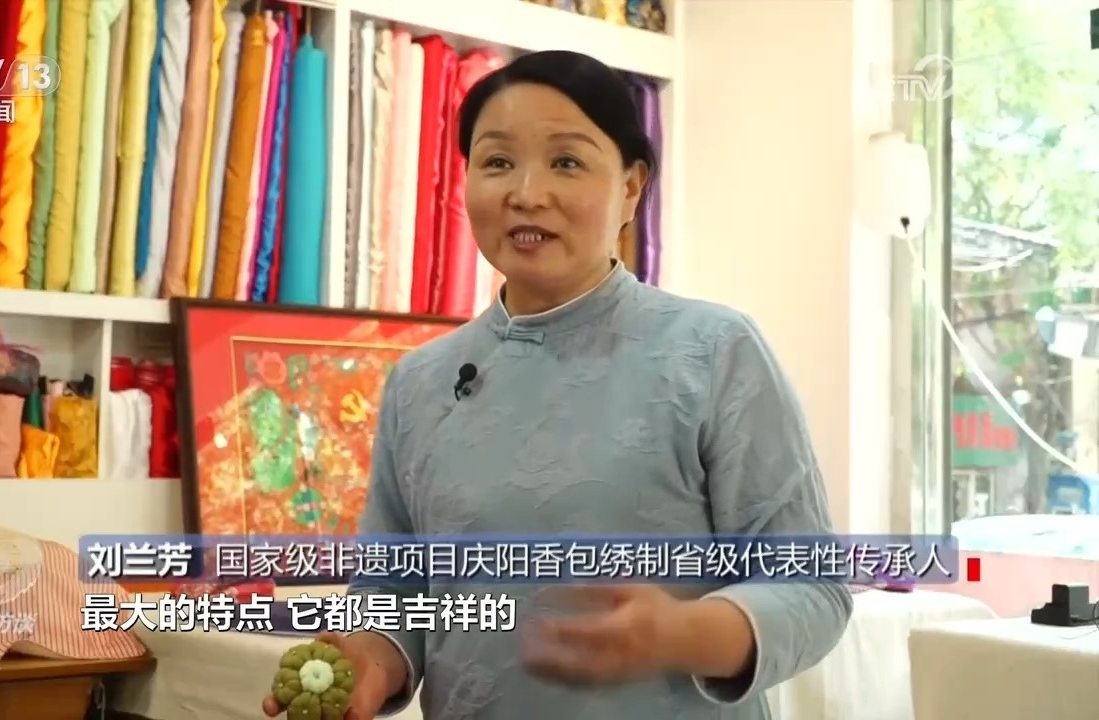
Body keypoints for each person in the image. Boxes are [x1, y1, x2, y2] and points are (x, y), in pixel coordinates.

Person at [263, 49, 851, 720]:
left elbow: (813, 589)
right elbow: (394, 595)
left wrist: (688, 632)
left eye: (566, 162)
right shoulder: (418, 383)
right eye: (497, 162)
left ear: (631, 187)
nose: (526, 193)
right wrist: (368, 661)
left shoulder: (715, 351)